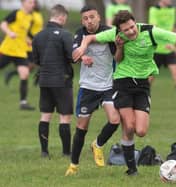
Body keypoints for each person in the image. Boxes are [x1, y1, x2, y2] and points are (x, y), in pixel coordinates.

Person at [73, 10, 176, 175]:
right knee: (129, 126)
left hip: (142, 85)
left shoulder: (150, 31)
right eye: (126, 30)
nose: (130, 31)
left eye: (132, 27)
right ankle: (132, 169)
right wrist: (82, 48)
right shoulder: (115, 34)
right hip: (122, 83)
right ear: (119, 30)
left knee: (141, 130)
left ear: (135, 23)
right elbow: (89, 37)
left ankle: (118, 151)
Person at [65, 5, 120, 176]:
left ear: (99, 17)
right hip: (88, 88)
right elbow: (74, 54)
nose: (89, 21)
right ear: (82, 21)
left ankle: (98, 144)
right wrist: (83, 56)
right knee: (82, 128)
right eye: (85, 18)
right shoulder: (80, 33)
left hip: (108, 86)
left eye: (92, 17)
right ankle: (73, 166)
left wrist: (120, 46)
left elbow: (119, 56)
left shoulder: (109, 33)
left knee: (115, 120)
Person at [32, 4, 74, 158]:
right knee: (65, 117)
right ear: (61, 17)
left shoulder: (38, 36)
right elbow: (72, 57)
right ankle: (66, 153)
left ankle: (44, 152)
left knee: (45, 115)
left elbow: (35, 60)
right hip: (62, 81)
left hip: (44, 80)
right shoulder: (65, 35)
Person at [0, 0, 35, 110]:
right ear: (23, 3)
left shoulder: (30, 18)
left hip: (20, 52)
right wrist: (9, 32)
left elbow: (24, 34)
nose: (32, 4)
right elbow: (3, 23)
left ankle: (23, 103)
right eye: (30, 2)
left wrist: (29, 40)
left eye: (33, 2)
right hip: (8, 50)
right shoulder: (16, 13)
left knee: (24, 74)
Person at [4, 0, 44, 86]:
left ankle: (12, 74)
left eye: (34, 3)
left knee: (33, 65)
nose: (34, 5)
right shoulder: (30, 15)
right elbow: (27, 31)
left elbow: (38, 28)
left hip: (33, 42)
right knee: (36, 63)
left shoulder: (38, 15)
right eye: (32, 3)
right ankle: (37, 80)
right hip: (28, 44)